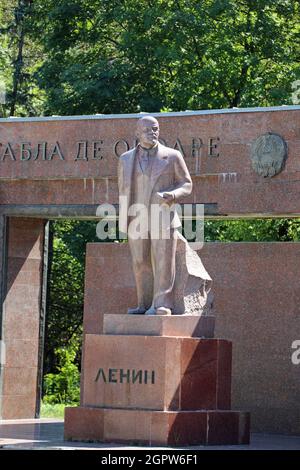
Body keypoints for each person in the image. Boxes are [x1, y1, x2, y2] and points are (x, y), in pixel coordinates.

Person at [118, 115, 193, 315]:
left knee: (163, 262)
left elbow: (187, 184)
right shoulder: (125, 159)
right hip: (137, 218)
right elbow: (123, 190)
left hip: (163, 216)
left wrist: (173, 195)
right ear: (137, 133)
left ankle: (162, 305)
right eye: (147, 130)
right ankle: (143, 304)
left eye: (156, 129)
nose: (153, 133)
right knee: (140, 262)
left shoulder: (173, 156)